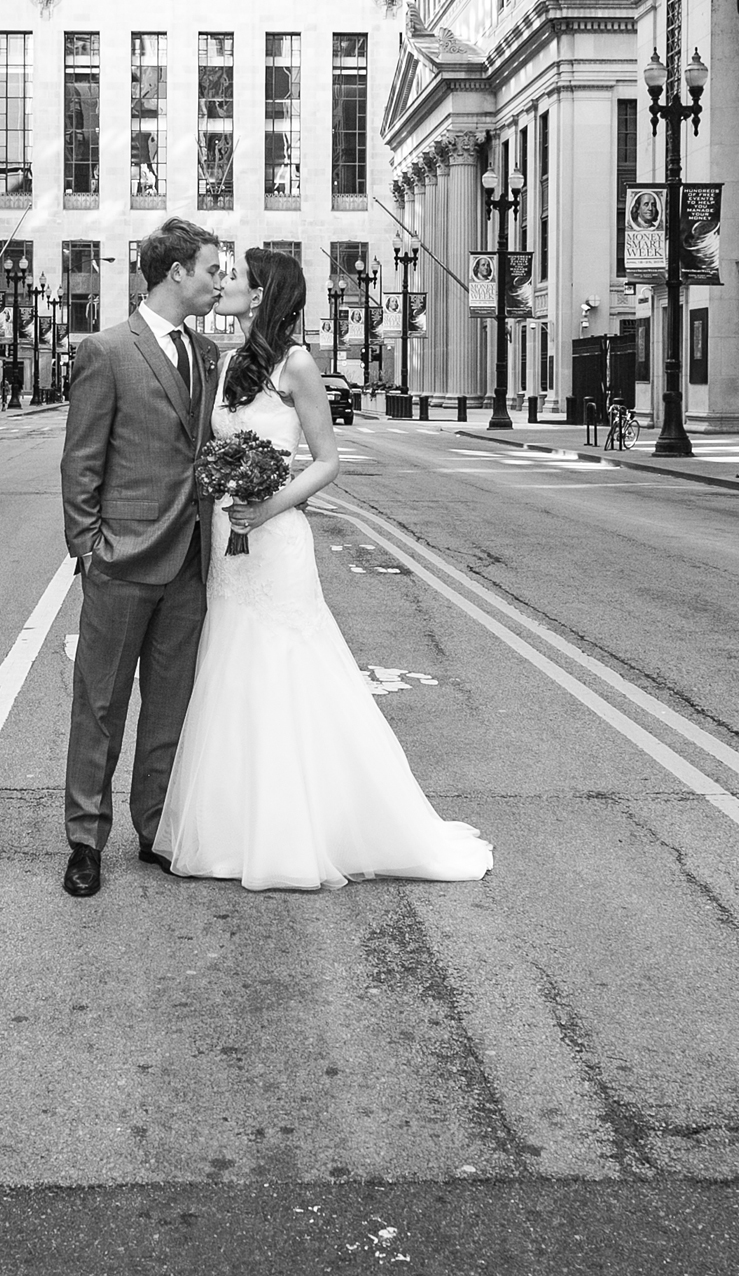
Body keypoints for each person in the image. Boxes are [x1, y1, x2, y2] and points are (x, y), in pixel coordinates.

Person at [154, 246, 492, 891]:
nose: (224, 283)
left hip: (275, 536)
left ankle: (299, 830)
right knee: (231, 668)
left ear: (262, 295)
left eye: (237, 278)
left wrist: (265, 505)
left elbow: (326, 460)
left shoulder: (299, 364)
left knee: (285, 668)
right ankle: (231, 825)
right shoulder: (227, 362)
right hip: (228, 538)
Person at [58, 218, 224, 898]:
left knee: (170, 705)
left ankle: (153, 826)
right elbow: (80, 462)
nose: (219, 280)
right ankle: (84, 839)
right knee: (99, 702)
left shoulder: (207, 355)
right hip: (120, 560)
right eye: (212, 268)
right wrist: (89, 550)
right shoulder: (107, 350)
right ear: (176, 271)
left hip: (188, 560)